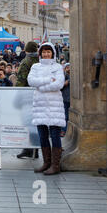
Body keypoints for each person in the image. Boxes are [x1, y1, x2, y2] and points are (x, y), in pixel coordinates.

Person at [28, 42, 66, 175]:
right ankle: (46, 162)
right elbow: (31, 81)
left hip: (54, 105)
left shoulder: (57, 66)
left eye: (48, 51)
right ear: (40, 53)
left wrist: (42, 86)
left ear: (52, 53)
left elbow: (59, 83)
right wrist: (49, 79)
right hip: (40, 104)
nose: (46, 54)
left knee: (55, 134)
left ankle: (55, 165)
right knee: (42, 135)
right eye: (44, 52)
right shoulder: (35, 66)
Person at [15, 41, 39, 159]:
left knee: (28, 123)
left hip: (27, 96)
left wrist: (16, 94)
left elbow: (21, 79)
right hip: (40, 95)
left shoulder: (26, 61)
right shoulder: (40, 60)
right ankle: (36, 149)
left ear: (26, 50)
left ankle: (29, 149)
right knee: (37, 123)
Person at [61, 63, 70, 137]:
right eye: (67, 67)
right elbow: (60, 86)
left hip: (72, 99)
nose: (68, 68)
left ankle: (65, 130)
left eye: (69, 67)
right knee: (65, 116)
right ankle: (64, 130)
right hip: (65, 98)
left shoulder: (73, 76)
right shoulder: (63, 76)